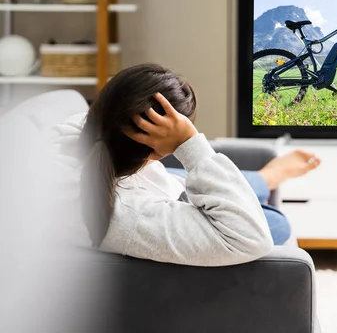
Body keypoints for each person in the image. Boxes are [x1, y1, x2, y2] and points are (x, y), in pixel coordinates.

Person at [47, 63, 320, 267]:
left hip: (161, 181)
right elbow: (252, 238)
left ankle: (261, 179)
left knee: (203, 186)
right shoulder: (130, 216)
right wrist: (188, 144)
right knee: (276, 222)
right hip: (161, 193)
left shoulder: (72, 139)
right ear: (157, 149)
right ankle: (263, 180)